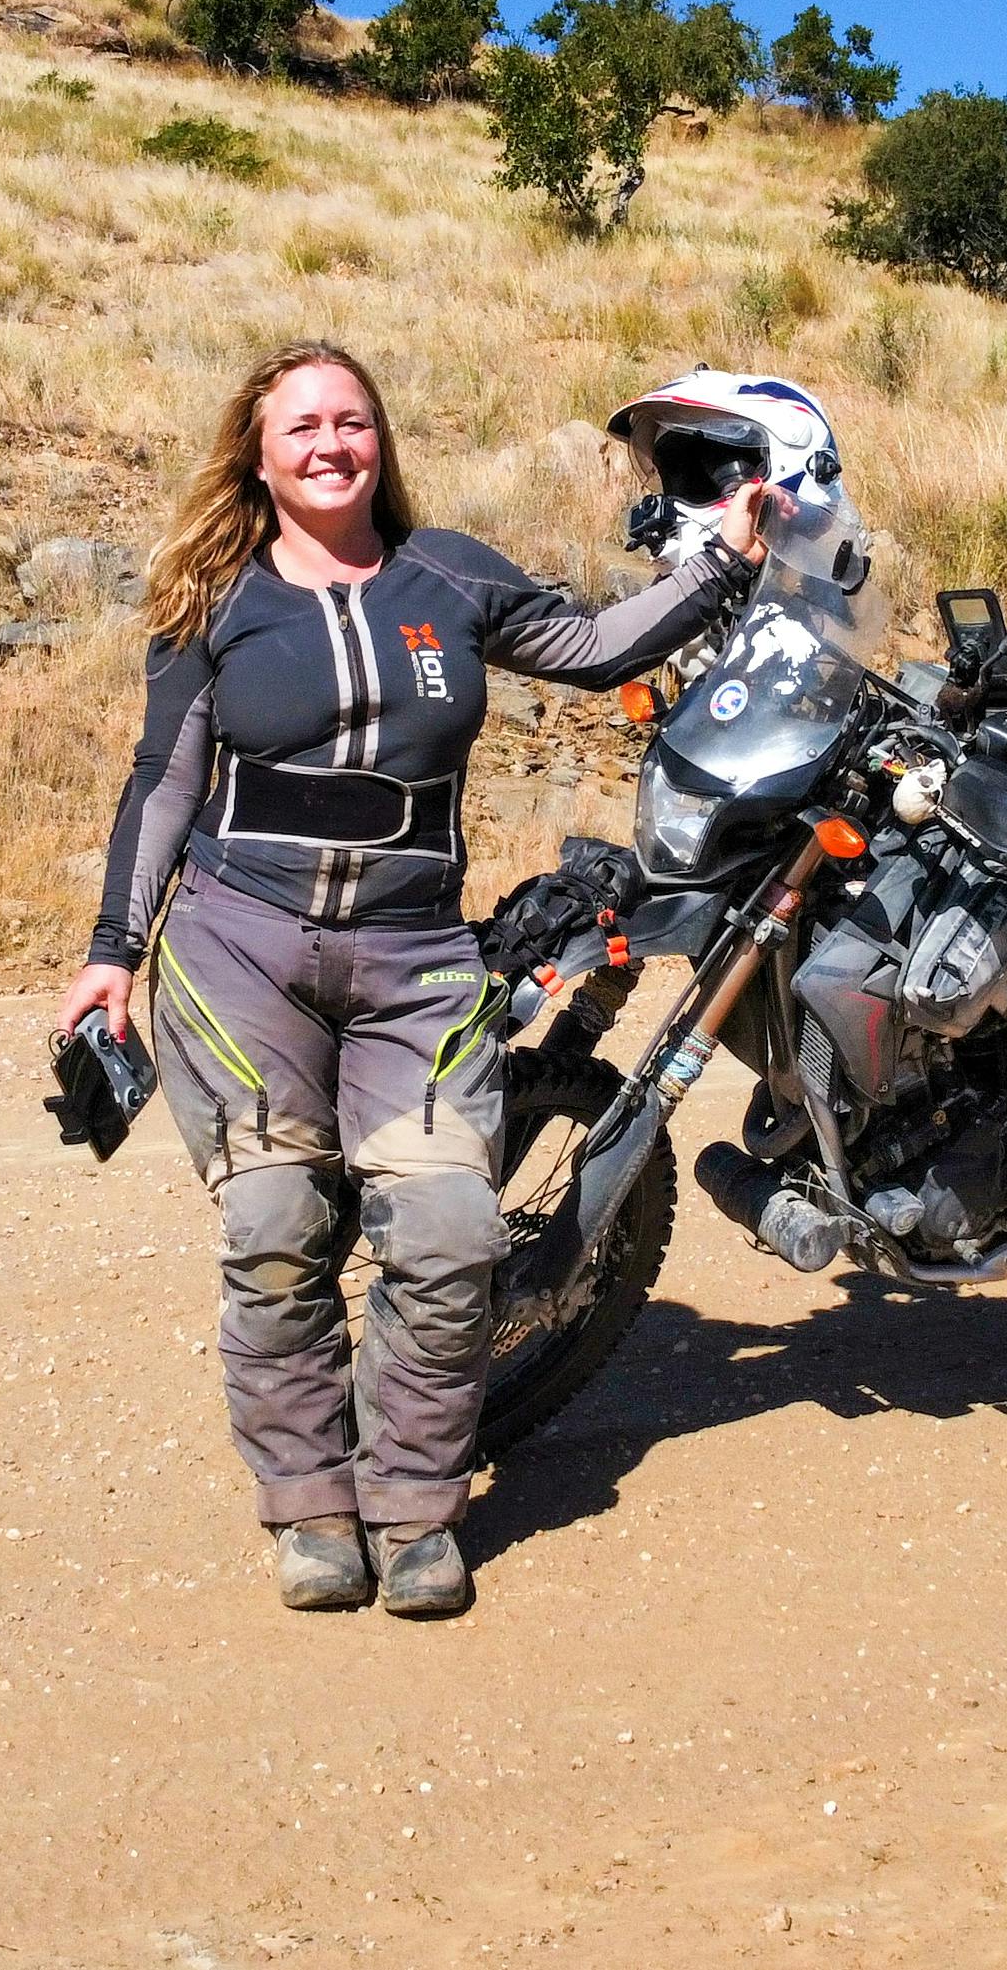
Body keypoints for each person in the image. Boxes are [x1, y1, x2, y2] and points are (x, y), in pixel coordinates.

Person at [56, 341, 763, 1617]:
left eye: (353, 422)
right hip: (237, 945)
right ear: (258, 454)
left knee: (447, 1229)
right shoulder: (209, 592)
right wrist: (112, 955)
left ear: (380, 439)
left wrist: (723, 562)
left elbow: (600, 645)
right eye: (304, 428)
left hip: (413, 956)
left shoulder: (449, 574)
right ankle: (312, 1501)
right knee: (279, 1229)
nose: (332, 444)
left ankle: (416, 1502)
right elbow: (163, 780)